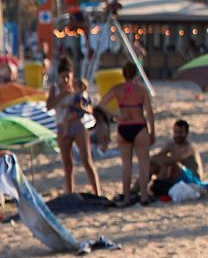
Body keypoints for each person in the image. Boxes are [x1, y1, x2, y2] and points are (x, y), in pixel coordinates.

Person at [100, 62, 156, 205]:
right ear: (136, 74)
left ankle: (126, 198)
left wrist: (115, 116)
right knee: (143, 163)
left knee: (126, 165)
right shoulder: (141, 90)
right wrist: (152, 131)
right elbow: (149, 112)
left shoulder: (117, 89)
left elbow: (101, 104)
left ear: (123, 74)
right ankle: (143, 196)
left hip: (123, 126)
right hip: (139, 126)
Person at [47, 71, 102, 197]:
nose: (66, 80)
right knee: (67, 163)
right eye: (63, 77)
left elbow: (90, 108)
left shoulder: (77, 91)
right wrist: (63, 95)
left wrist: (82, 107)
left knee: (86, 160)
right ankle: (69, 193)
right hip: (62, 125)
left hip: (77, 125)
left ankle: (97, 192)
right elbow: (49, 106)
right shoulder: (55, 90)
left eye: (68, 77)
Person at [149, 119, 200, 196]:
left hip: (191, 179)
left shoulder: (188, 147)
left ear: (186, 133)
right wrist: (152, 160)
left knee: (168, 164)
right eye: (175, 132)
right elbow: (158, 156)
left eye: (180, 133)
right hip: (177, 177)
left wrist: (156, 159)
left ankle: (157, 189)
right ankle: (135, 190)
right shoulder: (171, 144)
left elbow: (173, 160)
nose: (177, 135)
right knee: (152, 165)